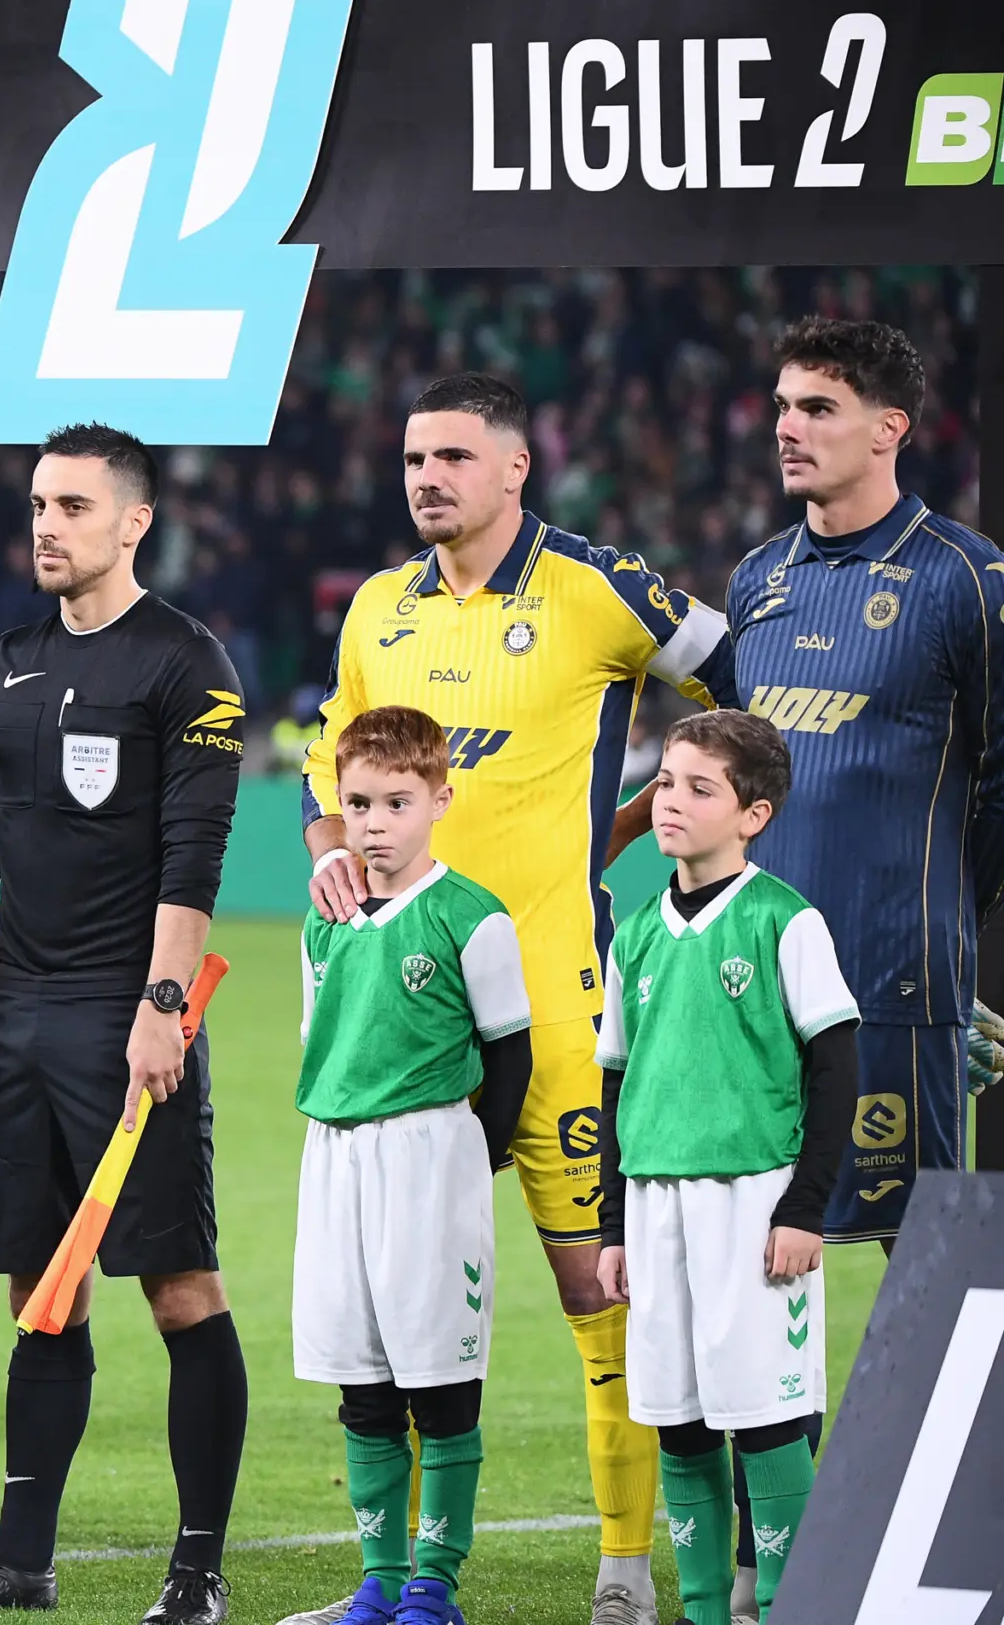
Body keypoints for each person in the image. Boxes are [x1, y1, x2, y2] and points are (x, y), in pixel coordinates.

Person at [295, 374, 736, 1625]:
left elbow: (739, 683)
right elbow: (331, 761)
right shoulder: (379, 609)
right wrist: (328, 843)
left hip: (558, 1009)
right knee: (388, 1319)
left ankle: (624, 1572)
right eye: (411, 459)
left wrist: (648, 821)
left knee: (600, 1292)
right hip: (401, 1028)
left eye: (450, 457)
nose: (425, 477)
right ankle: (402, 1584)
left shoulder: (599, 588)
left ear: (514, 469)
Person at [0, 424, 251, 1625]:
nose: (47, 525)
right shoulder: (7, 662)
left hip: (126, 1020)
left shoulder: (183, 664)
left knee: (178, 1291)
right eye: (39, 504)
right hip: (20, 1025)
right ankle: (22, 1560)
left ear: (133, 522)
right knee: (42, 1292)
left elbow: (192, 852)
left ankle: (196, 1572)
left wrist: (161, 1009)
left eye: (74, 508)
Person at [727, 317, 1004, 1246]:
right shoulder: (758, 579)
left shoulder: (968, 577)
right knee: (756, 1241)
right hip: (758, 983)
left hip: (896, 981)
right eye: (781, 406)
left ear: (889, 428)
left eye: (818, 408)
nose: (787, 428)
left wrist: (951, 929)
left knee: (922, 1254)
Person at [595, 710, 856, 1625]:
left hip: (754, 1202)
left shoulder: (787, 920)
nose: (671, 801)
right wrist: (615, 1226)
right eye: (666, 781)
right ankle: (705, 1609)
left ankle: (787, 1602)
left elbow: (835, 1070)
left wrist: (805, 1208)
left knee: (767, 1412)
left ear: (755, 814)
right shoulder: (634, 934)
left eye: (700, 788)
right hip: (657, 1202)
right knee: (678, 1414)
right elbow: (615, 1083)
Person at [285, 705, 533, 1625]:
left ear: (440, 799)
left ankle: (436, 1583)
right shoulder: (325, 923)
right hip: (335, 1156)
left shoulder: (473, 916)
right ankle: (380, 1578)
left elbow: (510, 1056)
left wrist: (476, 1158)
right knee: (364, 1381)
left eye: (397, 801)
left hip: (430, 1153)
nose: (375, 821)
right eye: (359, 803)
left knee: (441, 1381)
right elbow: (321, 1041)